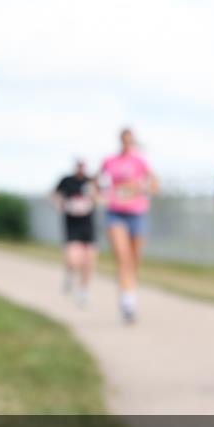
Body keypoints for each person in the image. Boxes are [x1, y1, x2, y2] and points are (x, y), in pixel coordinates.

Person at [99, 129, 158, 324]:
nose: (127, 143)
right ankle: (127, 305)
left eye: (130, 140)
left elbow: (154, 185)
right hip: (116, 214)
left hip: (137, 214)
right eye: (124, 139)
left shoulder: (140, 161)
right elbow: (97, 183)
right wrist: (102, 196)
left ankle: (130, 296)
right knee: (123, 258)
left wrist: (139, 188)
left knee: (133, 261)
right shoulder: (110, 161)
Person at [53, 159, 98, 307]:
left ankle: (84, 289)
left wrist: (92, 199)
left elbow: (101, 197)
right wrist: (61, 204)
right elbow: (55, 195)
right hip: (72, 224)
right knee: (73, 258)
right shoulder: (67, 180)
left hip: (87, 224)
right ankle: (71, 273)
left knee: (89, 259)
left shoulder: (91, 181)